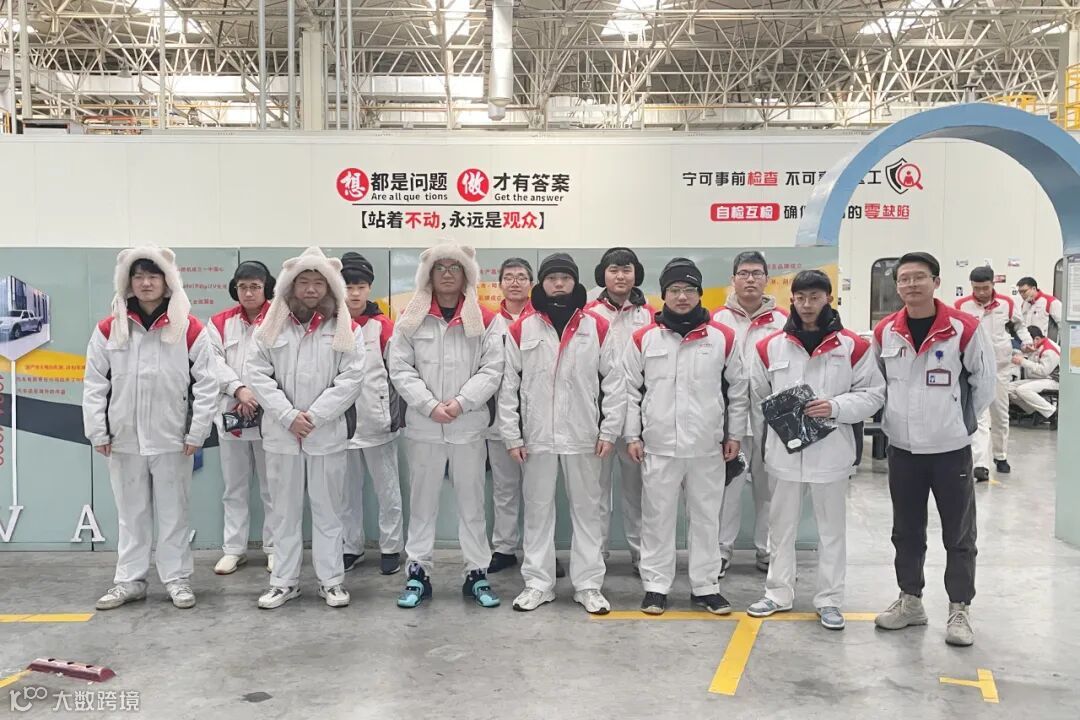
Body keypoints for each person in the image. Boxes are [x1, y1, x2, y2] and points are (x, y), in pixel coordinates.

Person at [745, 270, 885, 630]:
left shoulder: (853, 347)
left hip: (832, 454)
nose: (807, 305)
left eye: (815, 297)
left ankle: (830, 600)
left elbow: (873, 394)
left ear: (828, 299)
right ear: (792, 299)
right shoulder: (770, 347)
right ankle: (778, 593)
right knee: (781, 528)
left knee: (831, 531)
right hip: (784, 454)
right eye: (801, 298)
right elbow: (759, 395)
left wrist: (835, 407)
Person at [83, 247, 218, 611]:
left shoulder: (187, 327)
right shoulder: (110, 327)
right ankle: (130, 580)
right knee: (131, 515)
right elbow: (95, 382)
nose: (145, 283)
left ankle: (177, 579)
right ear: (128, 282)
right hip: (124, 438)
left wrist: (197, 432)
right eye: (139, 277)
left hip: (172, 438)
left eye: (153, 277)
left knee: (174, 513)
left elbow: (207, 383)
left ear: (167, 281)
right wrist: (98, 430)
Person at [873, 252, 995, 647]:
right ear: (897, 286)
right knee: (906, 531)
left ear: (936, 282)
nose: (911, 284)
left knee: (959, 534)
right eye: (904, 279)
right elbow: (879, 383)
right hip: (903, 450)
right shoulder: (886, 331)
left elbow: (984, 384)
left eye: (919, 277)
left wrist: (957, 424)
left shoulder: (963, 328)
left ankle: (959, 607)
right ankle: (910, 600)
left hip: (949, 450)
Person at [499, 253, 626, 615]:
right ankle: (538, 584)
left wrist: (609, 430)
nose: (558, 284)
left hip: (583, 435)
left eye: (565, 278)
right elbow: (508, 386)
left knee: (588, 511)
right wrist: (512, 435)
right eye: (552, 278)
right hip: (536, 436)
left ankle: (588, 585)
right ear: (542, 283)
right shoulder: (523, 328)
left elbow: (615, 383)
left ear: (575, 283)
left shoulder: (596, 326)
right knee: (538, 512)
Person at [624, 258, 748, 616]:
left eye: (689, 290)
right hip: (658, 447)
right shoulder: (644, 338)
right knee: (657, 518)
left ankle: (706, 587)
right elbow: (629, 390)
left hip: (707, 448)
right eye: (675, 290)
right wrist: (632, 435)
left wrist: (735, 434)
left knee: (706, 519)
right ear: (664, 294)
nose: (682, 296)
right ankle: (655, 586)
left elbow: (738, 389)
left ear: (699, 293)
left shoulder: (722, 337)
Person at [245, 247, 366, 610]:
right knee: (283, 512)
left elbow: (352, 378)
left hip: (324, 434)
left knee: (329, 510)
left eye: (318, 282)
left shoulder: (346, 328)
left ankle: (331, 581)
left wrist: (314, 416)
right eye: (303, 282)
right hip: (282, 435)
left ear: (330, 287)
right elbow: (257, 374)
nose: (311, 289)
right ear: (290, 286)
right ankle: (284, 582)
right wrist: (287, 416)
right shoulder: (270, 327)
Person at [389, 242, 505, 609]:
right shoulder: (411, 317)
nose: (448, 274)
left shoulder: (485, 318)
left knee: (472, 503)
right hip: (424, 427)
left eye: (455, 267)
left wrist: (461, 403)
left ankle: (477, 573)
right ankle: (418, 572)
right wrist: (428, 405)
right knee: (422, 503)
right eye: (440, 267)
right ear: (428, 274)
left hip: (467, 425)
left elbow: (493, 368)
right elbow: (400, 368)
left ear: (467, 274)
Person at [712, 251, 788, 576]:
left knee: (769, 489)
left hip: (770, 419)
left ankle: (767, 550)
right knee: (727, 488)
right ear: (733, 279)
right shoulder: (716, 320)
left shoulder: (783, 322)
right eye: (743, 273)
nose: (750, 279)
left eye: (757, 273)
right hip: (729, 420)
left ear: (767, 279)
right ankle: (720, 551)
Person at [584, 246, 653, 573]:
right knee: (596, 492)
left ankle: (641, 555)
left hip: (638, 417)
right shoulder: (588, 314)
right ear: (603, 275)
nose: (620, 276)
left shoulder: (650, 314)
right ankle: (596, 555)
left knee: (637, 491)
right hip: (598, 416)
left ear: (636, 274)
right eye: (614, 270)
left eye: (626, 269)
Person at [207, 260, 278, 576]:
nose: (249, 293)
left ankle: (274, 548)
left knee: (272, 488)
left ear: (266, 288)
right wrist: (239, 390)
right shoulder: (219, 322)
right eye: (243, 287)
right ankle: (234, 550)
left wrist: (258, 395)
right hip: (231, 414)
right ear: (235, 289)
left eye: (255, 287)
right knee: (234, 487)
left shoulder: (280, 319)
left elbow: (283, 363)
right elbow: (213, 362)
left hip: (270, 416)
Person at [339, 252, 405, 576]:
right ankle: (350, 547)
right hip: (340, 423)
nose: (354, 293)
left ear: (369, 288)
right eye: (348, 286)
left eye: (360, 286)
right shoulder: (332, 324)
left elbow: (400, 372)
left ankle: (391, 548)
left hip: (378, 420)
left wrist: (393, 413)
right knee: (345, 491)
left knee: (387, 488)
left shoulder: (383, 326)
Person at [955, 266, 1032, 480]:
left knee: (1000, 415)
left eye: (985, 288)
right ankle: (980, 463)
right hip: (973, 368)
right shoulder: (962, 305)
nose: (981, 292)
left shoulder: (1007, 304)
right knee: (978, 415)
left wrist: (1026, 342)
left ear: (993, 284)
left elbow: (1019, 326)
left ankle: (1000, 455)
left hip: (1000, 367)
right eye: (976, 288)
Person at [487, 257, 534, 574]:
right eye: (509, 277)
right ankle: (504, 548)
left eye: (521, 277)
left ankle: (538, 550)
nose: (515, 282)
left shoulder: (542, 318)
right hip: (497, 419)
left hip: (538, 418)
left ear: (531, 283)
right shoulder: (488, 322)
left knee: (538, 491)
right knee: (504, 487)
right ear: (500, 284)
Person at [1007, 325, 1060, 425]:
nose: (1025, 346)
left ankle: (1052, 412)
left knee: (1022, 390)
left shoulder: (1049, 349)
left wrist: (1023, 361)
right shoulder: (1036, 345)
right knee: (1007, 388)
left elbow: (1044, 371)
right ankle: (1035, 411)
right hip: (1040, 379)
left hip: (1053, 380)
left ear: (1037, 339)